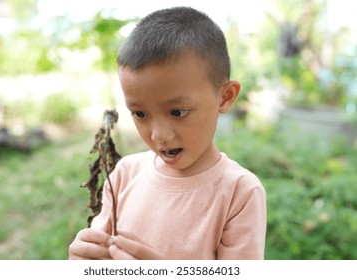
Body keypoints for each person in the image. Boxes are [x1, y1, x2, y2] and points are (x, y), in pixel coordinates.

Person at [68, 6, 266, 260]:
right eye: (140, 114)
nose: (158, 135)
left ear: (225, 97)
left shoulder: (239, 193)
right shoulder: (124, 176)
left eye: (177, 112)